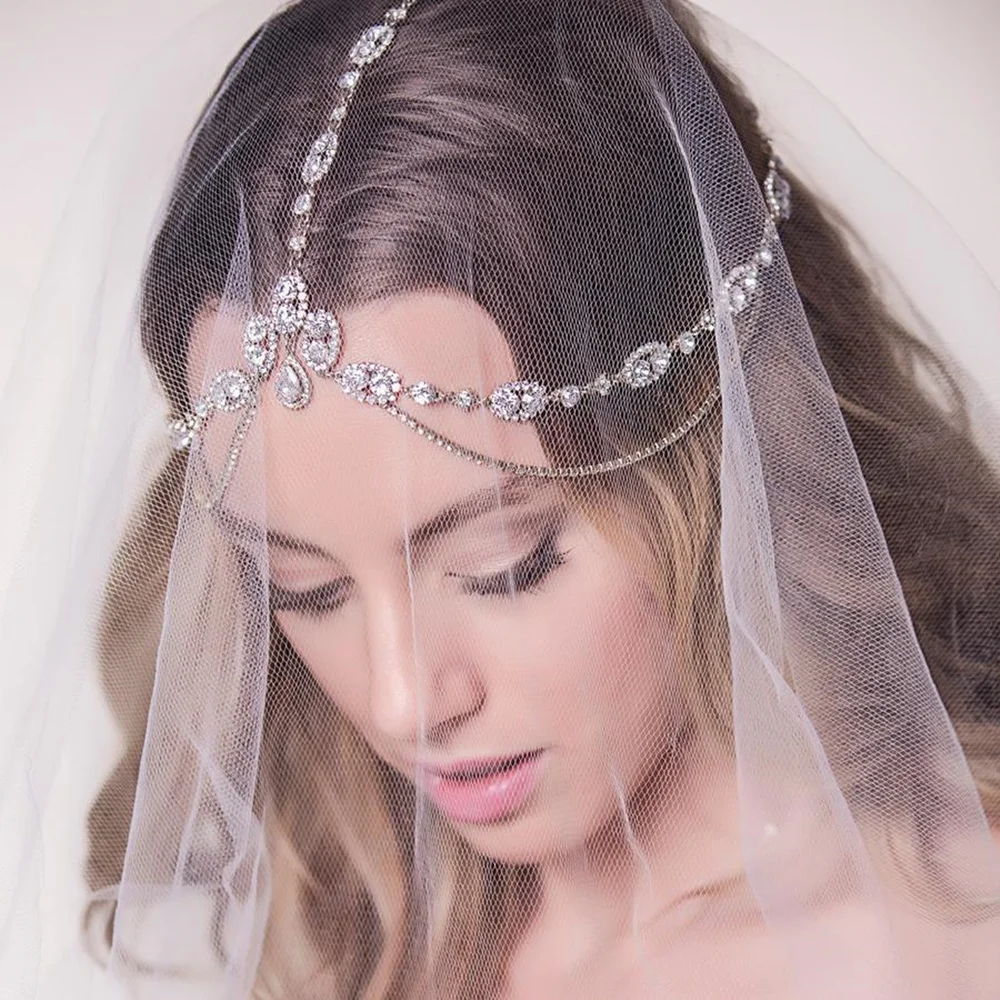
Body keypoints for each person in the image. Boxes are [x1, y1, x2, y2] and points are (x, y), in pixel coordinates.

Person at [4, 0, 999, 997]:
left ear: (723, 449)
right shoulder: (317, 923)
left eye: (504, 569)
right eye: (303, 588)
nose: (403, 701)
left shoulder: (941, 945)